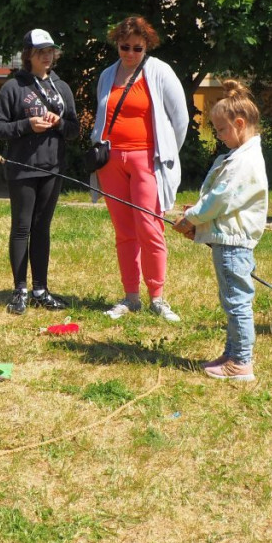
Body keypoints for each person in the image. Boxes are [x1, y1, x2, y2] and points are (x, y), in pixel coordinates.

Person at [91, 16, 188, 322]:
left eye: (137, 47)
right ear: (117, 45)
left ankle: (157, 297)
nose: (130, 53)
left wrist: (167, 153)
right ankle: (130, 297)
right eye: (124, 47)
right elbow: (101, 114)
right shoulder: (108, 74)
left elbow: (180, 118)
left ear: (147, 45)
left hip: (147, 159)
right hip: (111, 162)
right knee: (124, 231)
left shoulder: (159, 71)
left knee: (150, 227)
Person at [174, 81, 269, 382]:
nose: (218, 135)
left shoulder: (244, 160)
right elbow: (220, 199)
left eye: (221, 129)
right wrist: (199, 212)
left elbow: (222, 199)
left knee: (236, 301)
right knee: (232, 298)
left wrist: (192, 217)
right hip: (228, 239)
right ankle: (231, 354)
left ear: (239, 124)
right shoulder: (241, 156)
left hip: (233, 244)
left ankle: (241, 363)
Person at [0, 29, 79, 315]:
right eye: (41, 51)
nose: (47, 56)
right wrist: (27, 125)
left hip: (52, 168)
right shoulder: (13, 87)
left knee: (43, 229)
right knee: (22, 228)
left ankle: (41, 289)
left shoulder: (61, 87)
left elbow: (75, 129)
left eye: (50, 51)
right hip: (22, 168)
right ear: (28, 55)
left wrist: (59, 122)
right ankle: (20, 290)